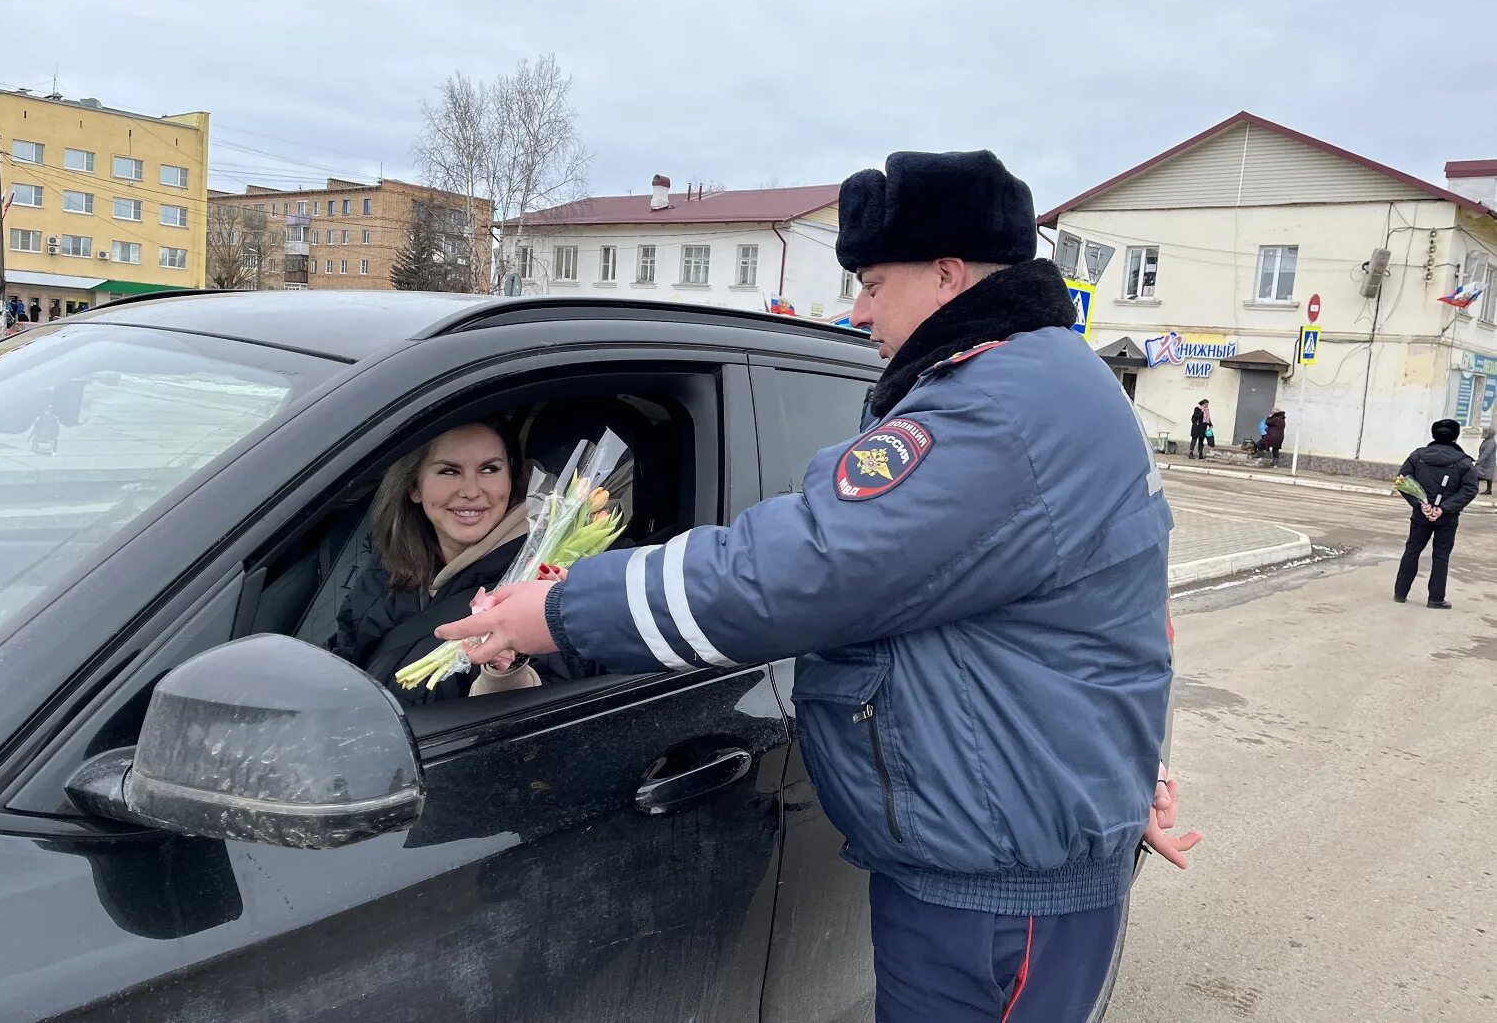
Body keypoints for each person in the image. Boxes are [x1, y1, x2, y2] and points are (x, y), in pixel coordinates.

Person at [437, 150, 1198, 1022]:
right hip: (1006, 854)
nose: (858, 309)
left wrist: (560, 609)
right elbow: (1112, 621)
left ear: (947, 274)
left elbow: (789, 572)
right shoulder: (1053, 384)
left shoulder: (997, 409)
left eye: (873, 283)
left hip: (991, 895)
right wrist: (1118, 767)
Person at [329, 419, 573, 704]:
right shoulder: (390, 567)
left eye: (489, 469)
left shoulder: (538, 582)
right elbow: (342, 657)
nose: (471, 491)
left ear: (511, 480)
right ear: (414, 487)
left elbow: (536, 711)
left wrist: (503, 670)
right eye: (449, 471)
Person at [1394, 419, 1480, 609]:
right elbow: (1470, 488)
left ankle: (1400, 593)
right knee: (1441, 556)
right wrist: (1444, 508)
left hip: (1420, 515)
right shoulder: (1464, 462)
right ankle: (1435, 599)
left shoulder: (1417, 457)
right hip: (1447, 518)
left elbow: (1402, 480)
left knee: (1412, 551)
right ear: (1456, 436)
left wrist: (1420, 504)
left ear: (1433, 435)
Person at [1476, 425, 1495, 496]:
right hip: (1484, 461)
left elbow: (1487, 452)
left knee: (1479, 474)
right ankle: (1486, 489)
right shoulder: (1487, 441)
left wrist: (1479, 461)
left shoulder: (1491, 442)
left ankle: (1488, 490)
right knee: (1482, 475)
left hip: (1487, 462)